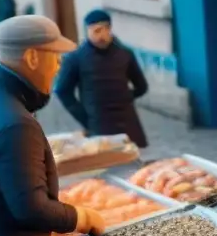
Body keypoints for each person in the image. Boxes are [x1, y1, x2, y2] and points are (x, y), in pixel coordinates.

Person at [0, 16, 107, 236]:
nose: (58, 67)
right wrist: (82, 217)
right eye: (54, 57)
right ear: (31, 57)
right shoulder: (17, 123)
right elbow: (29, 208)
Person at [54, 9, 150, 148]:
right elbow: (62, 91)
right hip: (98, 123)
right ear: (87, 32)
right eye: (95, 31)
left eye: (104, 30)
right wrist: (84, 117)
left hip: (127, 122)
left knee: (132, 161)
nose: (101, 35)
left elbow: (141, 86)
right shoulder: (75, 59)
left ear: (109, 29)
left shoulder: (125, 54)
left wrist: (125, 97)